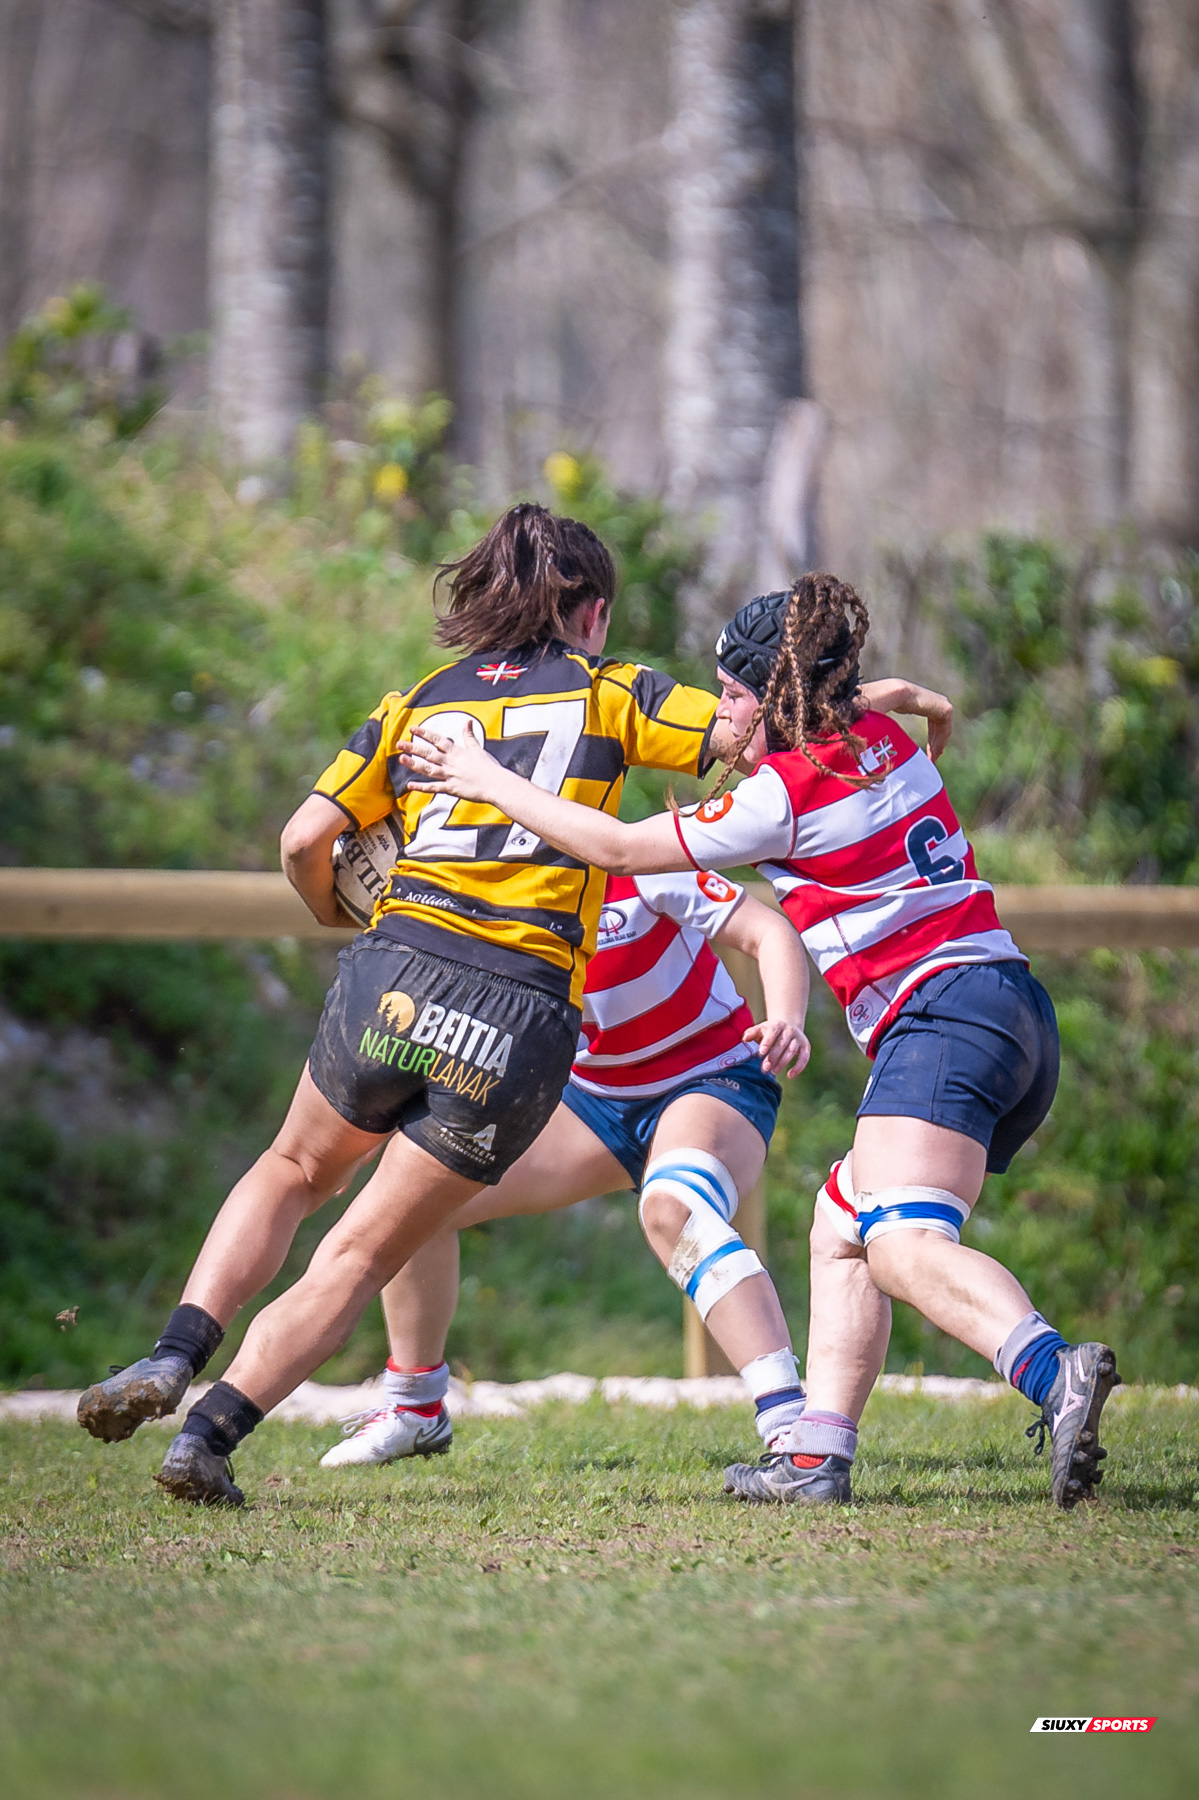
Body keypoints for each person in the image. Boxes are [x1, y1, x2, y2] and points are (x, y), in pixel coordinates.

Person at [398, 576, 1121, 1510]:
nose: (720, 715)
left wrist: (485, 776)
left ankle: (1054, 1371)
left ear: (776, 697)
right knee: (841, 1225)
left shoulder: (777, 796)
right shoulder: (878, 735)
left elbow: (615, 850)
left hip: (942, 1013)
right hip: (1010, 1007)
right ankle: (815, 1455)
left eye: (731, 694)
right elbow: (850, 708)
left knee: (900, 1245)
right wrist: (905, 695)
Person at [321, 869, 813, 1467]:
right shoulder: (493, 895)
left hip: (713, 1076)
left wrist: (787, 1018)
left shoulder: (639, 861)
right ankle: (414, 1409)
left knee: (674, 1211)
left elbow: (769, 931)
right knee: (419, 1196)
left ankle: (793, 1430)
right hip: (593, 1099)